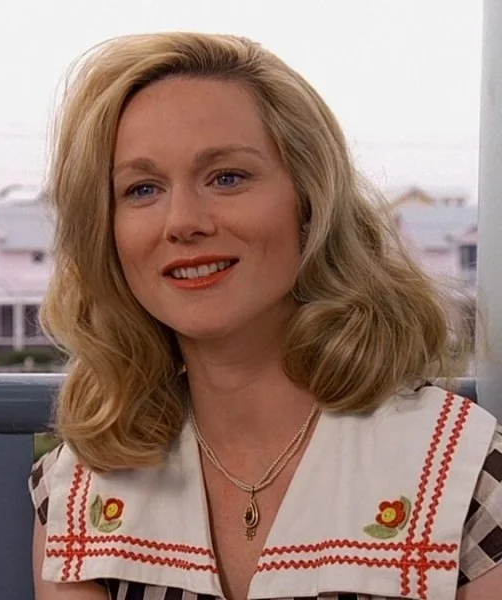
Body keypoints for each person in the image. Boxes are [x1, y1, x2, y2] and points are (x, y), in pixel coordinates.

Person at [28, 32, 502, 600]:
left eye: (227, 177)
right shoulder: (77, 493)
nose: (183, 222)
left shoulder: (469, 474)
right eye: (142, 189)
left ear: (310, 202)